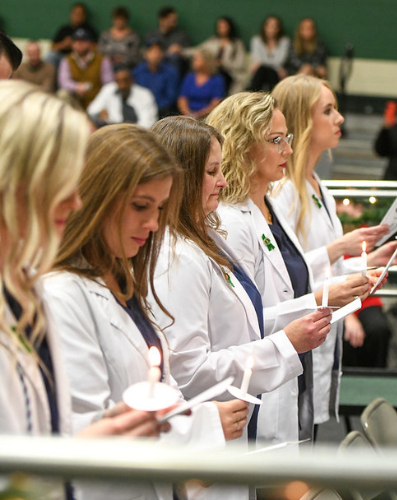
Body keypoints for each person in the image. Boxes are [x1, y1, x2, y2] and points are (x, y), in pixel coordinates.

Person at [41, 124, 246, 499]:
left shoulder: (123, 278)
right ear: (96, 197)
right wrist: (202, 427)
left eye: (160, 209)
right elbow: (86, 428)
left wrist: (197, 428)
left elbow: (159, 385)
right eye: (140, 206)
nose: (153, 225)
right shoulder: (63, 294)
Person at [150, 116, 332, 468]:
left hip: (235, 418)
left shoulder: (204, 236)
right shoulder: (176, 257)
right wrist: (285, 344)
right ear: (182, 178)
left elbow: (242, 320)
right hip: (206, 433)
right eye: (211, 172)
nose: (223, 181)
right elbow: (188, 370)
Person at [206, 91, 377, 445]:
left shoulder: (268, 204)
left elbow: (296, 274)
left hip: (290, 370)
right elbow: (239, 323)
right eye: (275, 140)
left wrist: (356, 273)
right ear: (242, 145)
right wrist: (321, 299)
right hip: (257, 383)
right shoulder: (229, 222)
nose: (287, 149)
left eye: (288, 139)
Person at [0, 80, 160, 444]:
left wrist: (89, 439)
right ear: (13, 180)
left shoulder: (24, 286)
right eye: (62, 181)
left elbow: (34, 433)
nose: (76, 201)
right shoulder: (50, 287)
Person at [269, 74, 397, 429]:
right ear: (302, 121)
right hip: (293, 328)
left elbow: (323, 265)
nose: (339, 118)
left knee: (309, 433)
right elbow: (283, 275)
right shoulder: (281, 191)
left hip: (320, 325)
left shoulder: (318, 186)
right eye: (328, 110)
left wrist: (370, 259)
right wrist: (338, 247)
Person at [57, 27, 112, 108]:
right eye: (76, 41)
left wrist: (98, 102)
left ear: (89, 43)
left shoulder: (102, 60)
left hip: (98, 102)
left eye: (83, 41)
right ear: (72, 44)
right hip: (76, 103)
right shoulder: (67, 60)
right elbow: (64, 82)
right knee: (62, 94)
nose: (79, 44)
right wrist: (76, 87)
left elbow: (109, 85)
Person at [87, 68, 158, 128]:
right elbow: (91, 111)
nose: (122, 86)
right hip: (112, 131)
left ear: (131, 80)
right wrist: (99, 113)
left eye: (125, 80)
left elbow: (149, 123)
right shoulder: (108, 90)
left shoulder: (145, 95)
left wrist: (129, 127)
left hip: (137, 133)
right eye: (118, 81)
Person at [197, 16, 249, 94]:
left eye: (224, 26)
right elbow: (198, 49)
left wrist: (224, 63)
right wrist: (181, 50)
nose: (222, 29)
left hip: (231, 74)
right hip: (213, 72)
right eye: (220, 26)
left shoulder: (237, 44)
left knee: (220, 76)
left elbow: (240, 64)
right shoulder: (213, 41)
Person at [133, 42, 179, 118]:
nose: (155, 55)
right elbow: (136, 93)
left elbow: (171, 97)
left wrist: (153, 108)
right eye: (152, 52)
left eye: (158, 52)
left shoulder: (171, 72)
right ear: (145, 54)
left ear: (162, 54)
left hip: (163, 111)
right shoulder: (137, 72)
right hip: (141, 110)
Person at [179, 49, 225, 119]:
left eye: (197, 59)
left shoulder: (217, 79)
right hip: (187, 116)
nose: (193, 62)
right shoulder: (189, 77)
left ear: (207, 61)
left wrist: (198, 115)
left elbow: (216, 102)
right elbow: (182, 98)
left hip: (208, 117)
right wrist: (188, 114)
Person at [248, 15, 290, 92]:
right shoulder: (256, 40)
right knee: (262, 70)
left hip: (275, 74)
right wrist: (277, 67)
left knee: (268, 71)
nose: (272, 29)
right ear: (265, 27)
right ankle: (253, 96)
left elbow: (280, 60)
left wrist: (261, 62)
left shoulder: (284, 41)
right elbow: (257, 58)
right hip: (263, 71)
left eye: (275, 26)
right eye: (270, 26)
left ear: (278, 28)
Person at [46, 3, 95, 67]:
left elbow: (97, 48)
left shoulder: (90, 30)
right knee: (51, 55)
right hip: (64, 57)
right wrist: (63, 44)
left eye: (80, 14)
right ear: (71, 14)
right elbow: (52, 47)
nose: (78, 16)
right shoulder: (64, 29)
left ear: (84, 16)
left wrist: (83, 45)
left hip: (83, 57)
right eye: (76, 13)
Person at [143, 7, 190, 72]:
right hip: (155, 62)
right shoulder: (151, 35)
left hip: (172, 64)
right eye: (171, 20)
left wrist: (180, 51)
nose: (173, 23)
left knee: (174, 57)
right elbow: (145, 51)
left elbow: (188, 53)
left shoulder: (181, 35)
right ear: (161, 19)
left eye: (175, 21)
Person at [98, 6, 141, 70]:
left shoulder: (133, 37)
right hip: (107, 68)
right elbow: (99, 52)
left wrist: (122, 59)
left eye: (121, 19)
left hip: (127, 69)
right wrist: (110, 59)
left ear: (126, 20)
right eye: (116, 19)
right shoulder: (105, 35)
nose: (119, 22)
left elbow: (135, 56)